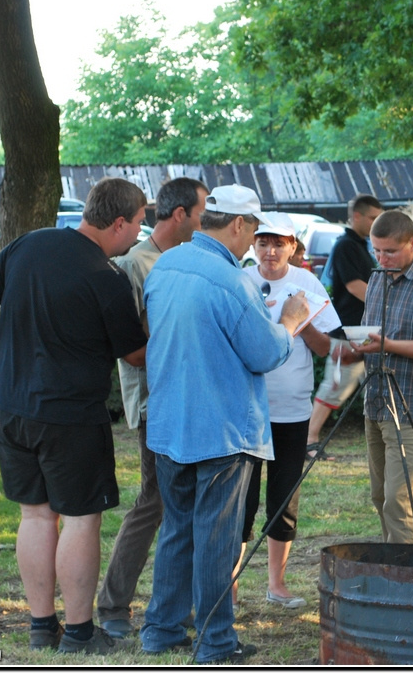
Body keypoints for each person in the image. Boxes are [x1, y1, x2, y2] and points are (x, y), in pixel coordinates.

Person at [0, 177, 150, 655]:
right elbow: (135, 356)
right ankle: (80, 633)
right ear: (117, 223)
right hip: (70, 416)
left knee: (34, 515)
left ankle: (40, 626)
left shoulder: (32, 243)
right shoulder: (106, 277)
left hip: (10, 405)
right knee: (80, 520)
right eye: (136, 225)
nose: (137, 235)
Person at [138, 185, 310, 665]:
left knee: (176, 531)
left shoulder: (166, 264)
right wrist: (291, 321)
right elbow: (266, 353)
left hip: (171, 423)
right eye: (254, 230)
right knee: (215, 541)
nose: (254, 241)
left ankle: (161, 631)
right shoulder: (232, 282)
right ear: (238, 225)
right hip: (222, 431)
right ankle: (215, 643)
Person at [96, 177, 208, 639]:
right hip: (155, 403)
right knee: (154, 503)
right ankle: (114, 606)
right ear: (179, 214)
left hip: (188, 400)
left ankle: (178, 607)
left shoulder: (186, 259)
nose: (206, 220)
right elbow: (132, 347)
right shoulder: (134, 264)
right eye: (202, 211)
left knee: (179, 505)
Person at [340, 209, 413, 543]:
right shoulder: (378, 277)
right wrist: (356, 348)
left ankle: (410, 581)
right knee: (380, 496)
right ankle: (393, 568)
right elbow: (373, 336)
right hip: (376, 401)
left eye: (390, 251)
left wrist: (387, 345)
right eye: (375, 250)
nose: (381, 258)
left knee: (399, 499)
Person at [241, 213, 341, 608]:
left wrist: (298, 321)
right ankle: (229, 584)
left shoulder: (308, 283)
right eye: (263, 242)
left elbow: (324, 348)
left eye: (278, 243)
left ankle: (276, 584)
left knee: (284, 497)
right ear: (252, 244)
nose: (270, 251)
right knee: (241, 500)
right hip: (246, 407)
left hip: (292, 408)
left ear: (293, 247)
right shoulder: (241, 279)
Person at [305, 194, 384, 461]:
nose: (376, 223)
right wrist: (389, 306)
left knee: (377, 389)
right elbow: (354, 286)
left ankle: (384, 440)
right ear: (357, 216)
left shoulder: (362, 246)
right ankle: (309, 441)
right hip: (349, 334)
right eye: (373, 218)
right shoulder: (346, 246)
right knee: (334, 388)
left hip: (363, 332)